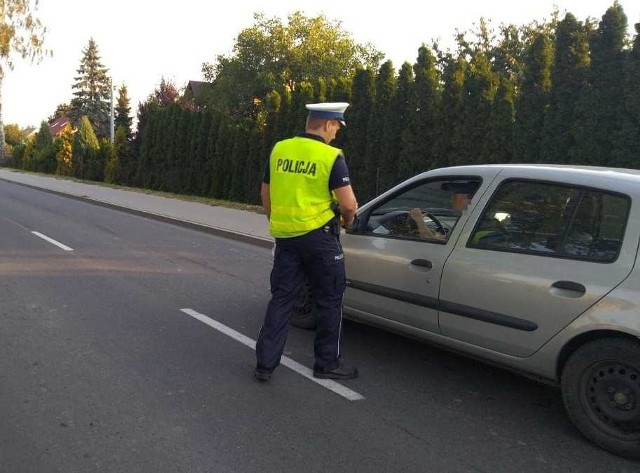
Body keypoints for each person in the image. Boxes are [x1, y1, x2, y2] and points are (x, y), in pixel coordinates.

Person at [254, 102, 359, 382]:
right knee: (330, 300)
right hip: (320, 239)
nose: (336, 133)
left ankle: (265, 364)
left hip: (286, 238)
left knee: (282, 299)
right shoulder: (330, 156)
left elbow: (266, 194)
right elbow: (348, 204)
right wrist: (348, 222)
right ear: (327, 124)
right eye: (336, 126)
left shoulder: (280, 149)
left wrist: (277, 221)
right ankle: (327, 364)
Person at [408, 190, 472, 240]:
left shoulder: (470, 228)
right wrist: (438, 235)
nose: (452, 202)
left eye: (456, 199)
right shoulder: (470, 223)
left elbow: (431, 242)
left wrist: (419, 220)